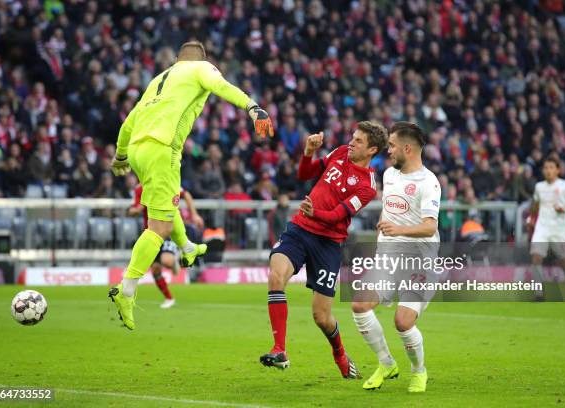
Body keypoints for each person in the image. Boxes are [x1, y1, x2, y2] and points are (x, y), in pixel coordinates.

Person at [109, 41, 274, 330]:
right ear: (203, 60)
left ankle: (187, 247)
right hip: (163, 148)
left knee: (167, 204)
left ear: (176, 58)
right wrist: (253, 107)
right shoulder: (201, 68)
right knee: (158, 227)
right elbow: (222, 86)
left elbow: (129, 121)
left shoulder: (159, 79)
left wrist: (121, 155)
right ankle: (127, 289)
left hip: (138, 149)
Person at [260, 121, 387, 380]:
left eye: (359, 141)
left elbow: (337, 215)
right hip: (299, 230)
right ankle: (280, 350)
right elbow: (304, 174)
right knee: (275, 277)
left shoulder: (367, 185)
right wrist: (308, 152)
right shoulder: (340, 152)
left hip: (328, 243)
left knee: (321, 316)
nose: (351, 142)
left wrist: (314, 211)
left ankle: (339, 353)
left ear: (372, 149)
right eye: (353, 137)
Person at [351, 121, 441, 393]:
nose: (387, 150)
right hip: (388, 258)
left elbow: (430, 226)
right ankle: (386, 362)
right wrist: (384, 224)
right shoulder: (389, 174)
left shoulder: (429, 182)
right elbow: (390, 209)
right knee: (360, 305)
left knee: (403, 322)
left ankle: (418, 371)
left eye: (391, 145)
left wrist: (397, 229)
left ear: (407, 148)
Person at [129, 184, 205, 309]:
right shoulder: (139, 189)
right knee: (155, 270)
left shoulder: (164, 180)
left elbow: (186, 194)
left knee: (166, 261)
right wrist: (136, 210)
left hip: (166, 228)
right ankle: (169, 298)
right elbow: (133, 209)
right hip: (151, 233)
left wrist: (194, 214)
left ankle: (175, 259)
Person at [527, 157, 565, 301]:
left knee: (564, 263)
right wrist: (531, 218)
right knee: (536, 257)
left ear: (557, 170)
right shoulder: (539, 186)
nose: (548, 170)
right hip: (542, 228)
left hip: (559, 230)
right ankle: (539, 294)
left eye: (551, 167)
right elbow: (536, 204)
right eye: (545, 168)